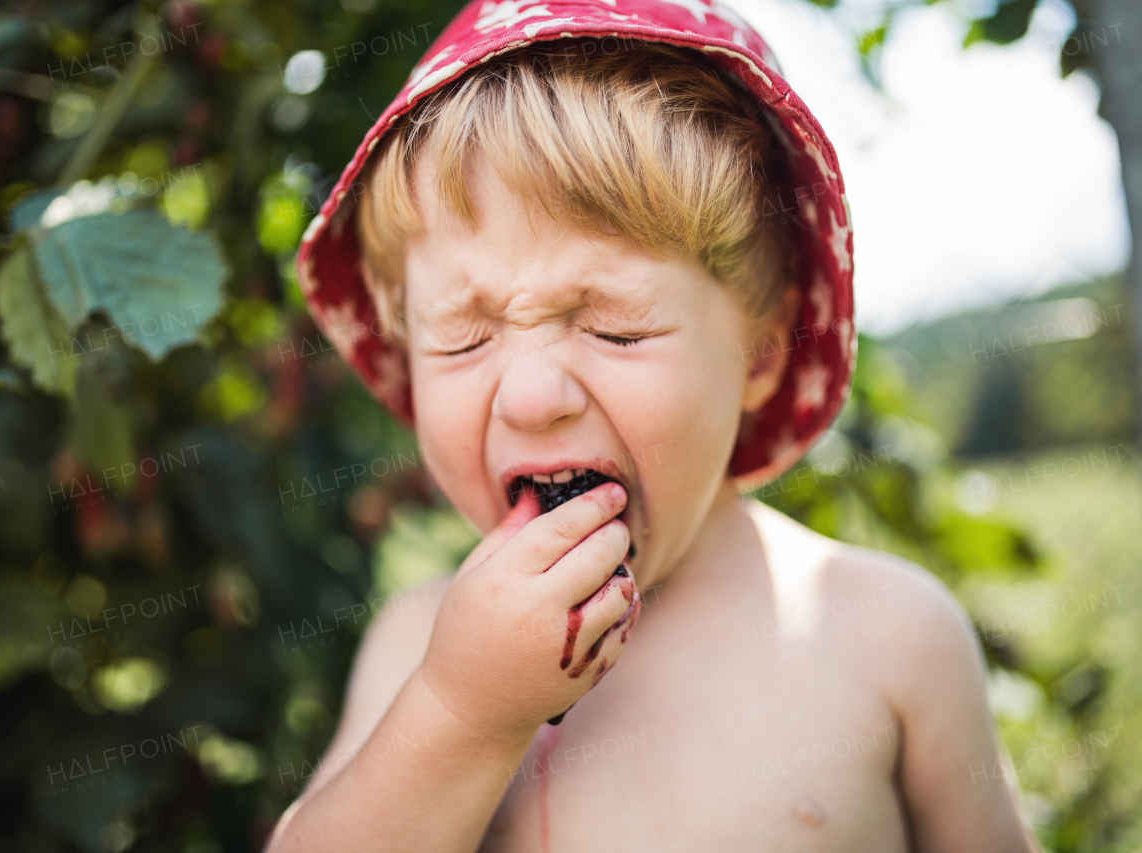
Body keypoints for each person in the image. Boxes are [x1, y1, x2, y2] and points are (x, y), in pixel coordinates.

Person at [268, 1, 1038, 849]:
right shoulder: (418, 647)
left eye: (615, 329)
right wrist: (463, 713)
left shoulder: (890, 634)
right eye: (461, 334)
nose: (532, 397)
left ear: (760, 353)